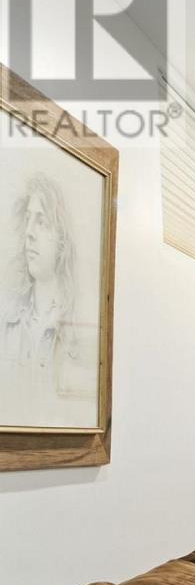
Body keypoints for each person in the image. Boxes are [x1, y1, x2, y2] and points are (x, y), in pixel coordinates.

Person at [1, 172, 90, 426]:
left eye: (41, 221)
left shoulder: (77, 323)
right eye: (28, 219)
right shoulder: (7, 317)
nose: (29, 232)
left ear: (61, 237)